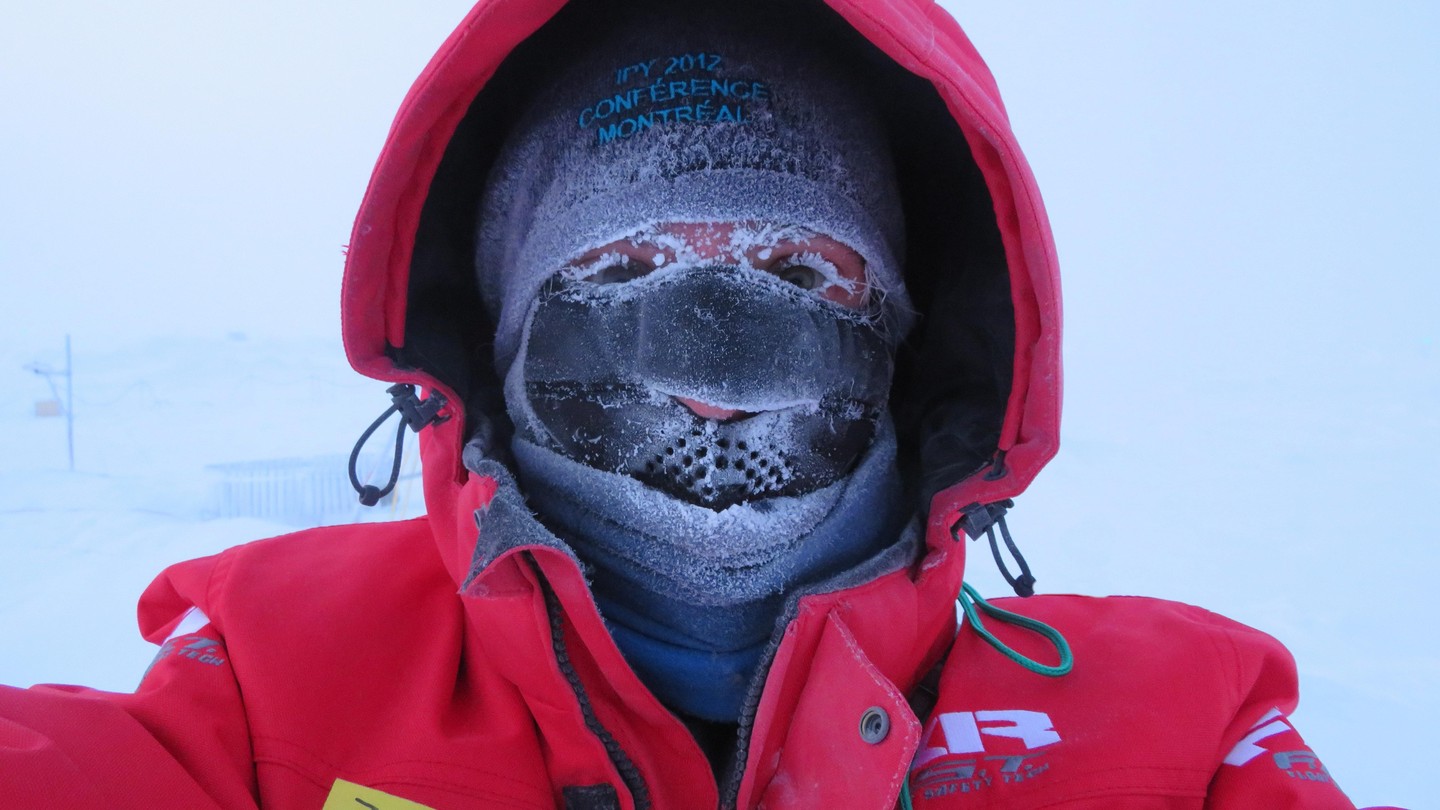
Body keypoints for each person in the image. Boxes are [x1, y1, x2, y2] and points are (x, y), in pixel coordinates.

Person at [0, 0, 1400, 808]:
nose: (709, 357)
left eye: (798, 264)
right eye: (623, 266)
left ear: (903, 328)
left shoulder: (1182, 731)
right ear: (503, 318)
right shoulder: (265, 686)